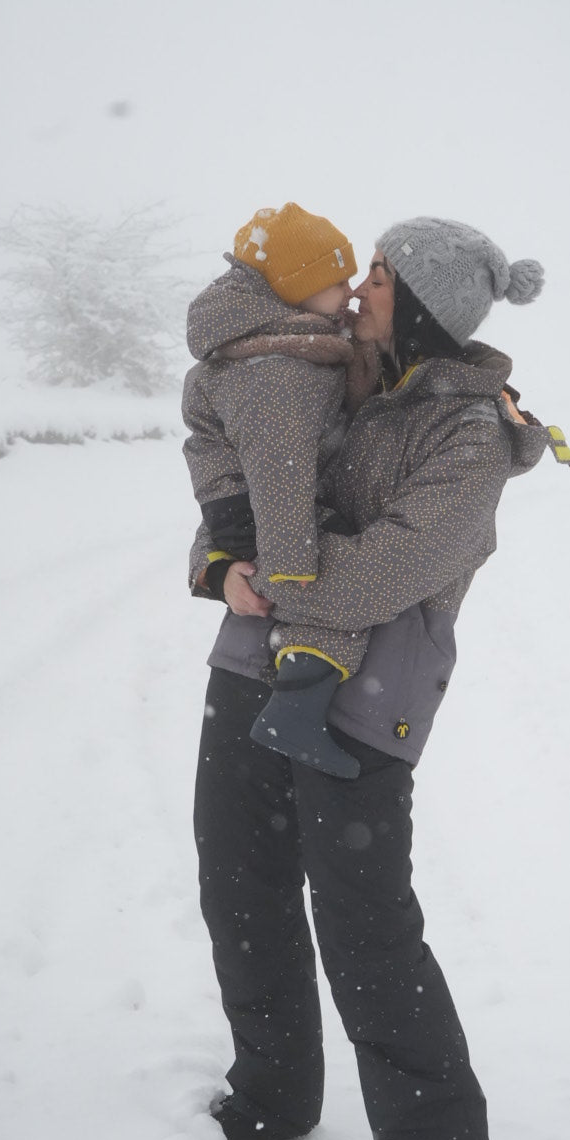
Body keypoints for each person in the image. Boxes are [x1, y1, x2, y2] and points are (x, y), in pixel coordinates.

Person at [189, 216, 570, 1140]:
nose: (359, 285)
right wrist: (224, 565)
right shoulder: (330, 372)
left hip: (363, 695)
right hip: (248, 659)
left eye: (382, 274)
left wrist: (286, 575)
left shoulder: (470, 433)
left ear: (430, 300)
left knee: (366, 931)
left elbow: (389, 568)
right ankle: (274, 1088)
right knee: (239, 880)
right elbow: (251, 473)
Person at [183, 202, 368, 780]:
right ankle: (296, 709)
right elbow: (281, 476)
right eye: (336, 279)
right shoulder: (278, 369)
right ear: (296, 285)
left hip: (240, 508)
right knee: (333, 578)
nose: (351, 289)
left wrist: (219, 563)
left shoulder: (267, 345)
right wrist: (291, 574)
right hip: (270, 525)